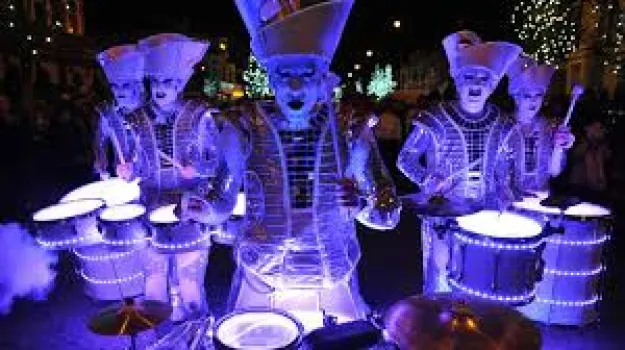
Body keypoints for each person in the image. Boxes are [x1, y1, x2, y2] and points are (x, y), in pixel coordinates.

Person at [230, 0, 401, 331]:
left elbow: (388, 211)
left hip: (331, 275)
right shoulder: (245, 125)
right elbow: (219, 200)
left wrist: (362, 205)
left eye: (306, 74)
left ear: (323, 76)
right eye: (284, 74)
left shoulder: (351, 127)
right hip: (263, 274)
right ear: (270, 77)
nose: (294, 86)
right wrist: (203, 209)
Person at [117, 33, 245, 322]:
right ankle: (160, 336)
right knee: (153, 284)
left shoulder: (199, 115)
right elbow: (138, 165)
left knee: (190, 285)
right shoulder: (136, 119)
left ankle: (195, 334)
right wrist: (128, 171)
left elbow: (217, 162)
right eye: (156, 82)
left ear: (180, 84)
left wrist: (197, 169)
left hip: (191, 209)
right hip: (151, 208)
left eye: (168, 82)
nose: (161, 89)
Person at [397, 30, 521, 293]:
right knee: (440, 275)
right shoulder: (435, 118)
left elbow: (504, 167)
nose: (475, 85)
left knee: (479, 279)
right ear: (456, 78)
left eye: (483, 78)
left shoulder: (502, 123)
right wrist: (427, 180)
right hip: (444, 213)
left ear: (493, 83)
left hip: (485, 213)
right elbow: (406, 159)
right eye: (468, 77)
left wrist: (504, 188)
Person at [505, 54, 575, 195]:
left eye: (538, 95)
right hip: (508, 202)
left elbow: (554, 172)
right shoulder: (502, 126)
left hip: (541, 198)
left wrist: (558, 147)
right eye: (527, 96)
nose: (533, 101)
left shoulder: (549, 127)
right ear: (516, 98)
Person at [94, 44, 146, 179]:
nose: (119, 91)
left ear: (138, 86)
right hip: (120, 176)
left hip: (149, 176)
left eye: (126, 85)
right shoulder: (109, 112)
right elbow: (100, 140)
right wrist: (101, 162)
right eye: (115, 86)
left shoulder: (150, 111)